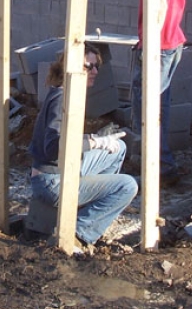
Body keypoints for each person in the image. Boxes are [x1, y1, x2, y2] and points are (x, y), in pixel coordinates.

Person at [29, 43, 138, 247]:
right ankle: (78, 233)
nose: (95, 71)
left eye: (96, 66)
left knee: (117, 149)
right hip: (51, 182)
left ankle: (87, 207)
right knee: (127, 185)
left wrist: (95, 139)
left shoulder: (65, 93)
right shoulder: (62, 99)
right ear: (70, 68)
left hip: (59, 171)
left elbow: (64, 138)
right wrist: (94, 142)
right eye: (89, 66)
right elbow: (53, 148)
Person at [131, 0, 187, 185]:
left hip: (160, 46)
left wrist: (150, 45)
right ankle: (158, 165)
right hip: (171, 42)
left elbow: (161, 4)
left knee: (148, 109)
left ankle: (160, 169)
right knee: (158, 106)